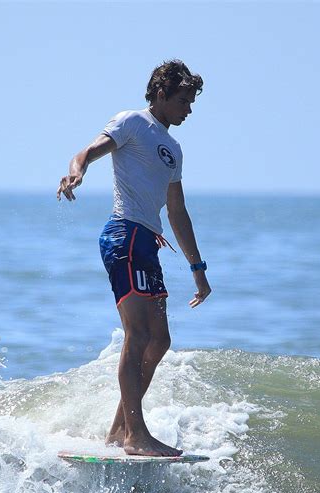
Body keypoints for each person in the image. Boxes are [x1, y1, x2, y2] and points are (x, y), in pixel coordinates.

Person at [57, 59, 211, 456]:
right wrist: (77, 172)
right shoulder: (131, 122)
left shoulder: (173, 149)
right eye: (183, 100)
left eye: (191, 102)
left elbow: (176, 212)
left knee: (159, 339)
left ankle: (119, 430)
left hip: (147, 242)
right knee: (138, 334)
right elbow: (88, 151)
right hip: (124, 235)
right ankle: (135, 436)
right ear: (161, 94)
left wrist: (198, 269)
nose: (188, 110)